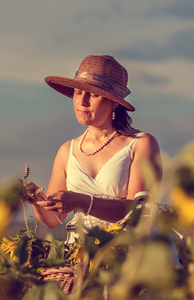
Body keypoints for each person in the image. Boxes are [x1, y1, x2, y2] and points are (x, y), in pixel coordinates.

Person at [29, 55, 162, 244]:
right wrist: (35, 200)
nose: (82, 101)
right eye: (77, 92)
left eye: (93, 94)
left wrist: (80, 201)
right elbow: (53, 219)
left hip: (130, 254)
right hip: (79, 255)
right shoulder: (67, 150)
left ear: (114, 102)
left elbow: (138, 213)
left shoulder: (141, 143)